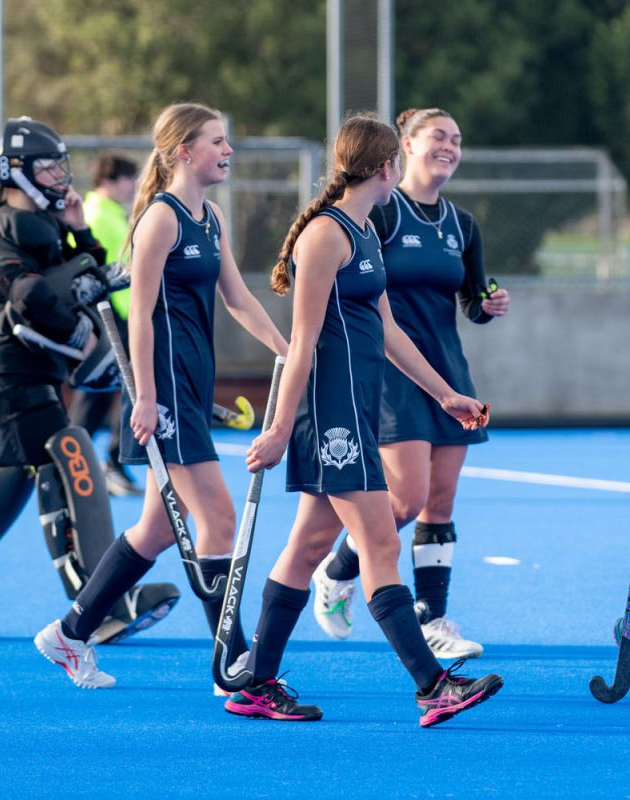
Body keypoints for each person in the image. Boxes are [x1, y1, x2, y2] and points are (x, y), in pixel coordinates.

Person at [225, 114, 502, 726]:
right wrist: (278, 428)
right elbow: (301, 344)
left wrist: (447, 393)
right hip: (332, 418)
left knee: (307, 548)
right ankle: (432, 687)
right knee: (379, 543)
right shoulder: (323, 237)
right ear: (386, 167)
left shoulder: (365, 234)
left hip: (353, 411)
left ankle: (257, 684)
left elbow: (391, 332)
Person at [0, 117, 178, 643]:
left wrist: (80, 231)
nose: (58, 176)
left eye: (59, 165)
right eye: (46, 167)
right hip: (12, 374)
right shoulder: (8, 224)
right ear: (15, 172)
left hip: (27, 374)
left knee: (0, 481)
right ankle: (101, 601)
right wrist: (84, 317)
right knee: (73, 454)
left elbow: (89, 271)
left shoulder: (44, 225)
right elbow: (30, 295)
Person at [34, 103, 289, 690]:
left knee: (153, 530)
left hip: (193, 388)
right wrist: (145, 398)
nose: (227, 151)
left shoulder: (211, 218)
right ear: (184, 152)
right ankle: (234, 665)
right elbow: (141, 317)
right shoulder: (160, 220)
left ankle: (70, 633)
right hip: (165, 391)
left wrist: (287, 348)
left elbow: (238, 299)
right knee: (219, 519)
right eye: (217, 141)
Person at [312, 108, 509, 660]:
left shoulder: (461, 224)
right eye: (439, 137)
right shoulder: (382, 210)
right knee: (405, 498)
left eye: (458, 139)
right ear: (406, 146)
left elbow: (472, 299)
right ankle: (336, 570)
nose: (450, 146)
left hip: (447, 370)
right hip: (394, 374)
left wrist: (488, 305)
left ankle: (434, 619)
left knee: (440, 503)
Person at [70, 151, 143, 497]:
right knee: (101, 392)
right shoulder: (97, 214)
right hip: (108, 316)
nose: (133, 186)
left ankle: (111, 461)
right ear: (110, 180)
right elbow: (94, 269)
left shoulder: (112, 213)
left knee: (120, 392)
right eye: (129, 179)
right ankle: (75, 463)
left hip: (122, 314)